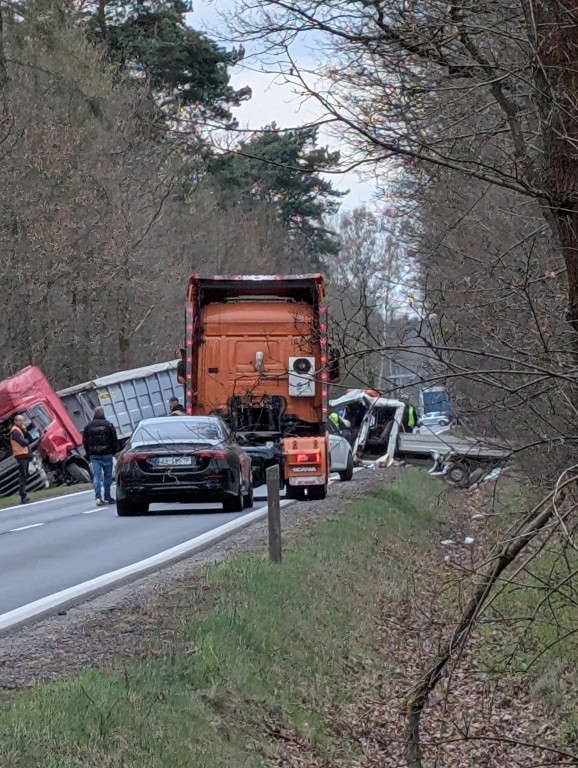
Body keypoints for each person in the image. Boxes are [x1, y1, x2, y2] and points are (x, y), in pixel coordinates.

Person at [82, 406, 119, 506]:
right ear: (103, 414)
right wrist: (114, 451)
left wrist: (89, 453)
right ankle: (107, 496)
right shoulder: (109, 425)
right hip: (107, 454)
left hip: (94, 455)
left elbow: (85, 442)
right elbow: (114, 440)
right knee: (107, 476)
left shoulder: (87, 427)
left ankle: (98, 496)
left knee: (96, 475)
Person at [10, 413, 33, 504]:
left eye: (23, 420)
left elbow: (30, 439)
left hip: (24, 455)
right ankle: (23, 496)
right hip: (21, 456)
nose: (22, 422)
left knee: (24, 475)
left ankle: (23, 494)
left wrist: (25, 430)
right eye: (19, 420)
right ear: (15, 421)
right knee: (23, 475)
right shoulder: (15, 431)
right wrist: (27, 441)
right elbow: (24, 442)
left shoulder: (20, 430)